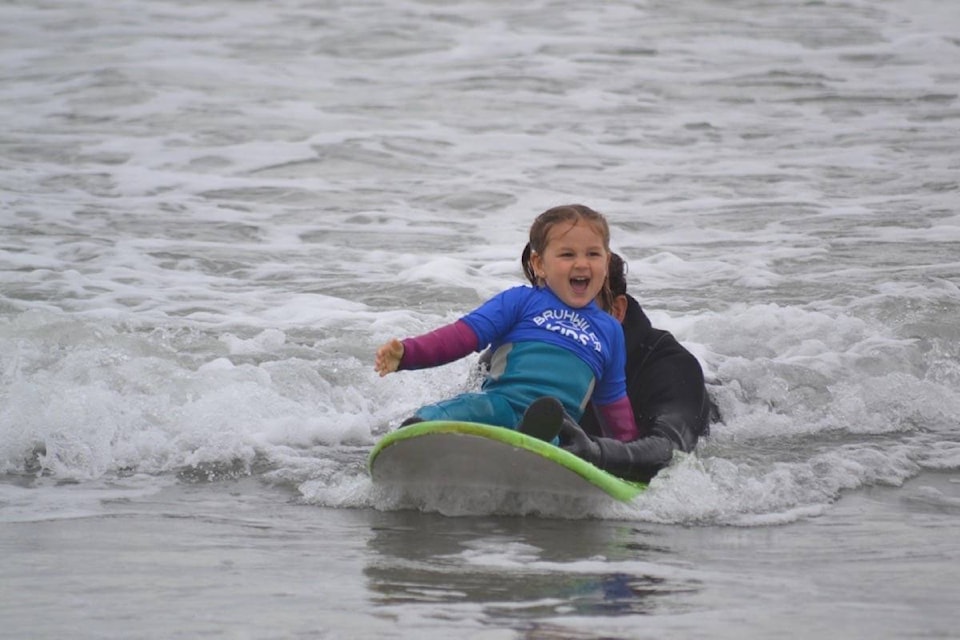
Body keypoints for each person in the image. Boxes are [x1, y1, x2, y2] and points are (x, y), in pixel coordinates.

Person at [374, 204, 639, 442]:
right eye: (567, 255)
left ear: (606, 261)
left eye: (593, 254)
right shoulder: (520, 301)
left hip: (554, 426)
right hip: (500, 405)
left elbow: (613, 403)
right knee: (468, 408)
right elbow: (462, 336)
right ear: (539, 264)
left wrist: (629, 455)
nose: (582, 263)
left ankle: (531, 439)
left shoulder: (610, 330)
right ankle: (417, 433)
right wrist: (409, 353)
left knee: (556, 434)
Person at [518, 249, 715, 483]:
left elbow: (672, 449)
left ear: (617, 311)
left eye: (574, 305)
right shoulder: (514, 353)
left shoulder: (669, 366)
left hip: (723, 412)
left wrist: (597, 454)